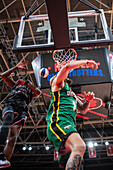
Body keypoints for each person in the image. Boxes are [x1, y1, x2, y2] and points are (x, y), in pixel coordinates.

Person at [46, 59, 98, 170]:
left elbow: (83, 110)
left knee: (78, 162)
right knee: (79, 146)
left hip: (69, 125)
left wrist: (88, 101)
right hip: (59, 122)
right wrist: (86, 62)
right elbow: (66, 67)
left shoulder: (73, 96)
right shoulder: (57, 86)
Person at [0, 61, 41, 168]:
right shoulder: (14, 85)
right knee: (7, 119)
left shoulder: (29, 90)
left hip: (22, 108)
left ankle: (3, 161)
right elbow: (3, 75)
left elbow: (38, 93)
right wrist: (15, 68)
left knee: (13, 137)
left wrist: (27, 83)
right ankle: (0, 150)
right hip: (10, 103)